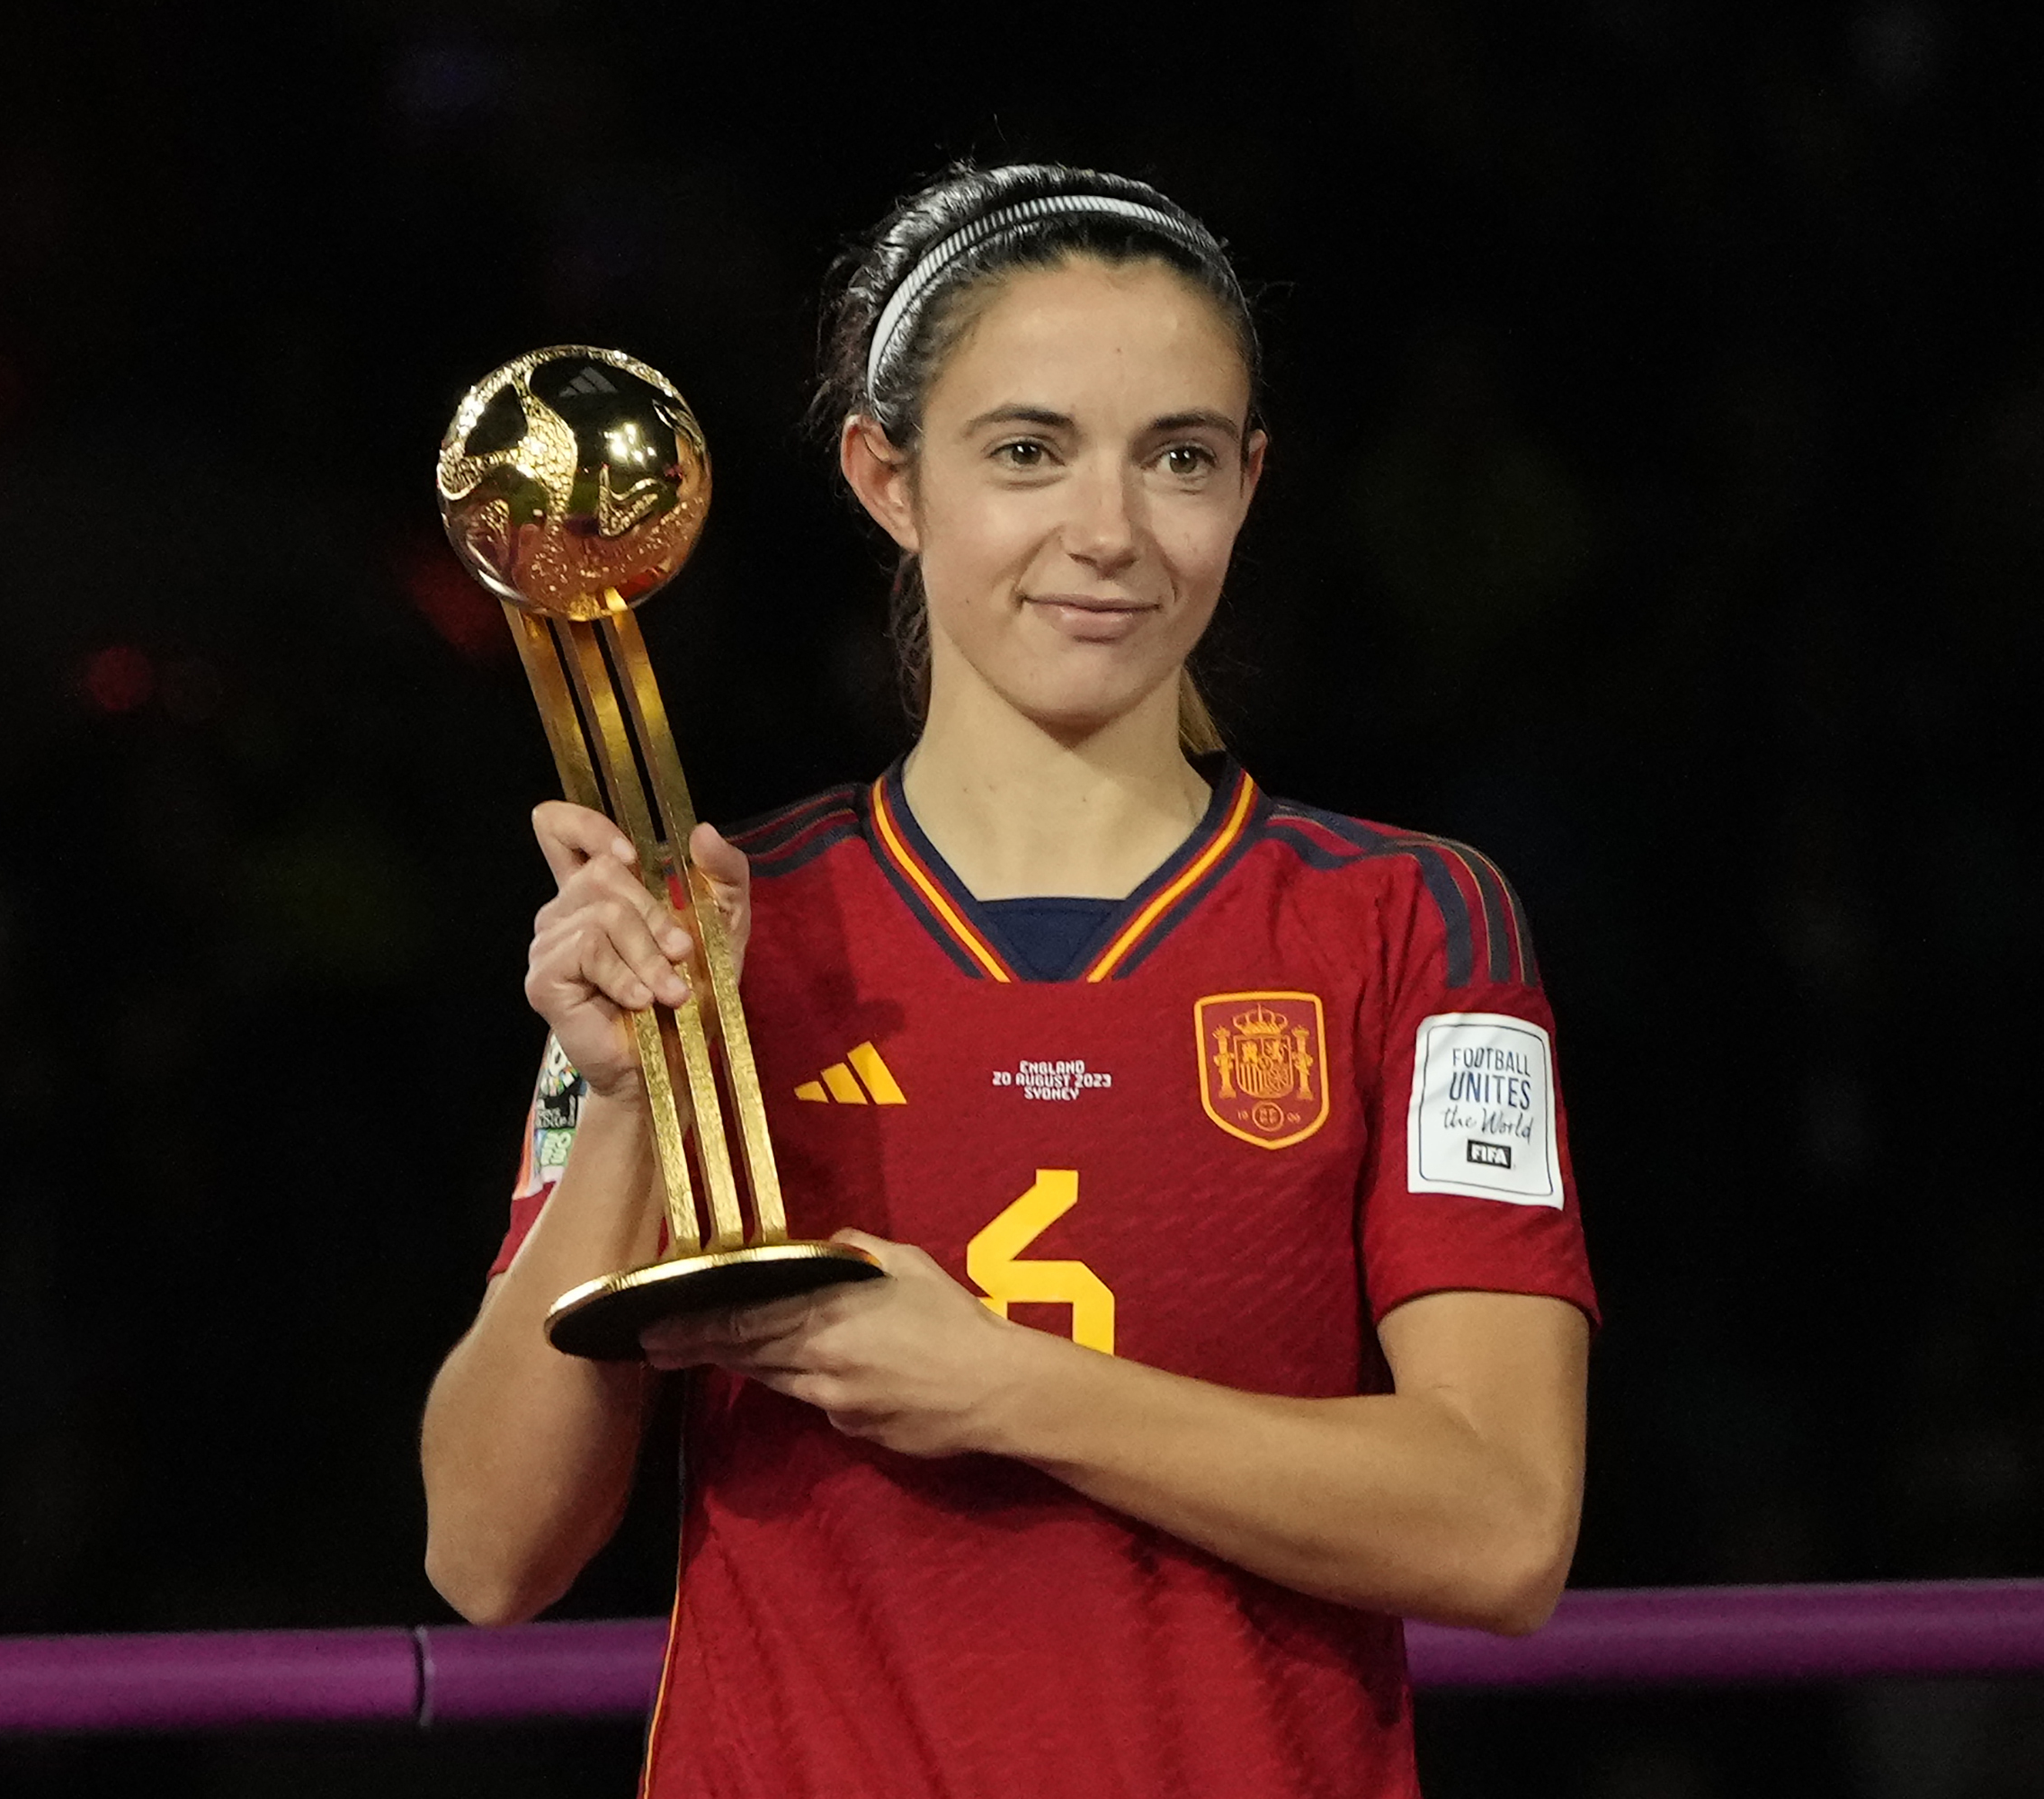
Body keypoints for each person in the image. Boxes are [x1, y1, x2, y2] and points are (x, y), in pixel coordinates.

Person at [421, 162, 1596, 1799]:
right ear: (885, 479)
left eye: (1178, 458)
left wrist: (996, 1382)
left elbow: (1502, 1525)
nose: (1107, 533)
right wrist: (626, 1104)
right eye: (1027, 452)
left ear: (1250, 486)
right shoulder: (723, 925)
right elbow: (487, 1554)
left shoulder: (1412, 923)